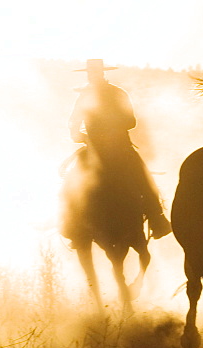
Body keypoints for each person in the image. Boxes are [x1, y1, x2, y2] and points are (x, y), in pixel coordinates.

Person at [69, 59, 171, 238]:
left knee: (142, 176)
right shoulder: (86, 96)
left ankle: (157, 219)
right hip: (101, 148)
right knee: (73, 182)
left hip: (117, 148)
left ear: (102, 73)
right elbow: (74, 122)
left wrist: (102, 131)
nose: (92, 75)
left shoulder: (116, 94)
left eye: (95, 72)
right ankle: (74, 225)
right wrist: (77, 134)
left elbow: (131, 121)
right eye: (90, 72)